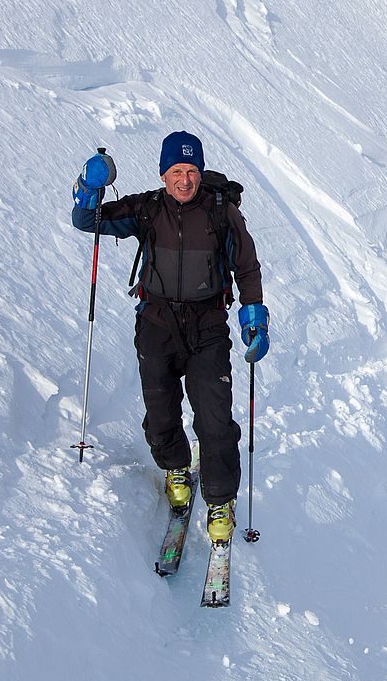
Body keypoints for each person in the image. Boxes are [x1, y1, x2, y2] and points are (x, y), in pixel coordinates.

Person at [71, 131, 269, 544]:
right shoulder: (147, 209)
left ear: (200, 172)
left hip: (208, 328)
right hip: (157, 325)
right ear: (163, 174)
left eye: (192, 170)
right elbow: (87, 221)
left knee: (214, 418)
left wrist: (254, 316)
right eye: (176, 171)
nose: (185, 180)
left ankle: (220, 499)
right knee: (161, 413)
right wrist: (89, 187)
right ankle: (175, 465)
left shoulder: (221, 213)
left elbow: (247, 268)